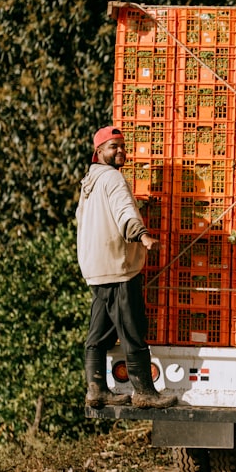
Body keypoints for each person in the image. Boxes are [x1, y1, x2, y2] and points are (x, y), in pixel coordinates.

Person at [76, 125, 177, 409]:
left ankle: (96, 390)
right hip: (118, 268)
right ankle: (144, 392)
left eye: (122, 145)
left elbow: (105, 215)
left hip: (96, 269)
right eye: (113, 147)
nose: (120, 151)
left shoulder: (90, 181)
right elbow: (124, 213)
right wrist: (143, 235)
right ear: (99, 152)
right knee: (132, 328)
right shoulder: (113, 179)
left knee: (99, 333)